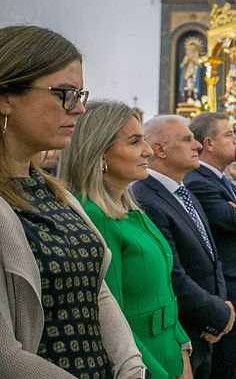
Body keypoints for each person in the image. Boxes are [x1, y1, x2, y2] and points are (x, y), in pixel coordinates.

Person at [0, 25, 144, 378]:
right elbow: (7, 358)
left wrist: (131, 367)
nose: (79, 108)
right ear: (5, 96)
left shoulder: (53, 191)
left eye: (80, 94)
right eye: (64, 93)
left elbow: (96, 291)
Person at [59, 100, 192, 379]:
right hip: (144, 361)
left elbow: (165, 289)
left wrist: (182, 348)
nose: (146, 150)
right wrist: (156, 373)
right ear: (101, 153)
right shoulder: (95, 217)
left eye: (143, 139)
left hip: (169, 350)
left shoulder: (129, 209)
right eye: (134, 142)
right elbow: (112, 317)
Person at [133, 115, 234, 379]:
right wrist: (217, 312)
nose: (197, 146)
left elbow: (211, 255)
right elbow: (172, 274)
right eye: (187, 139)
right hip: (182, 330)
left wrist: (219, 306)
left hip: (206, 326)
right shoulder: (146, 198)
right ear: (160, 149)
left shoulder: (181, 190)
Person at [186, 112, 236, 379]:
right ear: (208, 143)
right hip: (226, 293)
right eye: (229, 135)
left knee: (230, 367)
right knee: (222, 370)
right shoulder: (200, 183)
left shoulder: (217, 179)